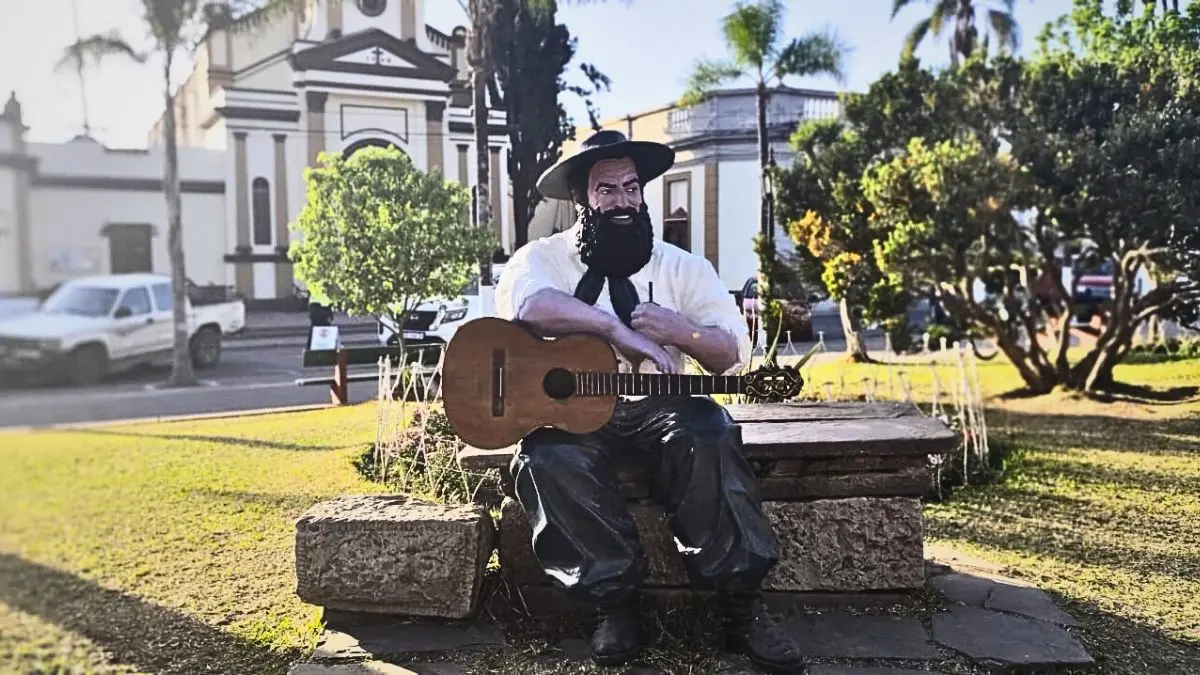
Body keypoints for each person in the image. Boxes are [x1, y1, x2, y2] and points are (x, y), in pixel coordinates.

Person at [494, 130, 805, 672]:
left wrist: (683, 332)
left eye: (631, 187)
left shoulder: (682, 267)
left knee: (709, 433)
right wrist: (623, 334)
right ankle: (615, 605)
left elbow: (731, 354)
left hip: (665, 406)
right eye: (607, 189)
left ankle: (742, 608)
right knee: (547, 459)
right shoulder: (542, 258)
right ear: (582, 199)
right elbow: (531, 306)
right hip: (574, 417)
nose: (622, 200)